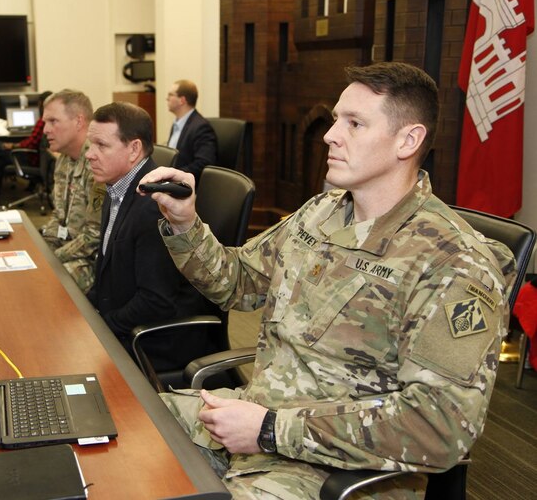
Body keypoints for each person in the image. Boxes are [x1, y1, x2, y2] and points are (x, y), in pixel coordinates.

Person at [139, 62, 515, 498]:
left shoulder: (454, 264)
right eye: (337, 119)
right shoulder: (322, 212)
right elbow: (236, 283)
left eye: (354, 123)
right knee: (127, 423)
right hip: (255, 420)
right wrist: (186, 224)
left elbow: (439, 426)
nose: (330, 134)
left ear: (408, 140)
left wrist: (270, 430)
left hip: (333, 472)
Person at [85, 102, 216, 369]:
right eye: (90, 144)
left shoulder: (155, 206)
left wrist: (100, 327)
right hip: (126, 319)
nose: (90, 154)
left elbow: (155, 302)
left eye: (101, 145)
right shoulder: (116, 187)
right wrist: (83, 311)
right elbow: (108, 270)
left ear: (134, 149)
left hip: (154, 339)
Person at [40, 90, 106, 293]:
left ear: (79, 122)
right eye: (45, 122)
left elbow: (95, 236)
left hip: (93, 260)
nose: (45, 130)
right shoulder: (64, 159)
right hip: (69, 249)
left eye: (53, 121)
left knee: (47, 285)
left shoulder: (98, 163)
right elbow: (59, 217)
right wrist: (40, 248)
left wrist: (52, 258)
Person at [0, 91, 52, 207]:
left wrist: (13, 146)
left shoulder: (43, 121)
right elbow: (32, 141)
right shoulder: (51, 120)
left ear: (41, 104)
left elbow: (31, 143)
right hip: (39, 159)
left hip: (31, 159)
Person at [166, 79, 217, 183]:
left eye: (171, 95)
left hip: (187, 187)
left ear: (182, 100)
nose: (167, 98)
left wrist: (173, 175)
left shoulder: (201, 127)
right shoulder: (177, 123)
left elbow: (204, 164)